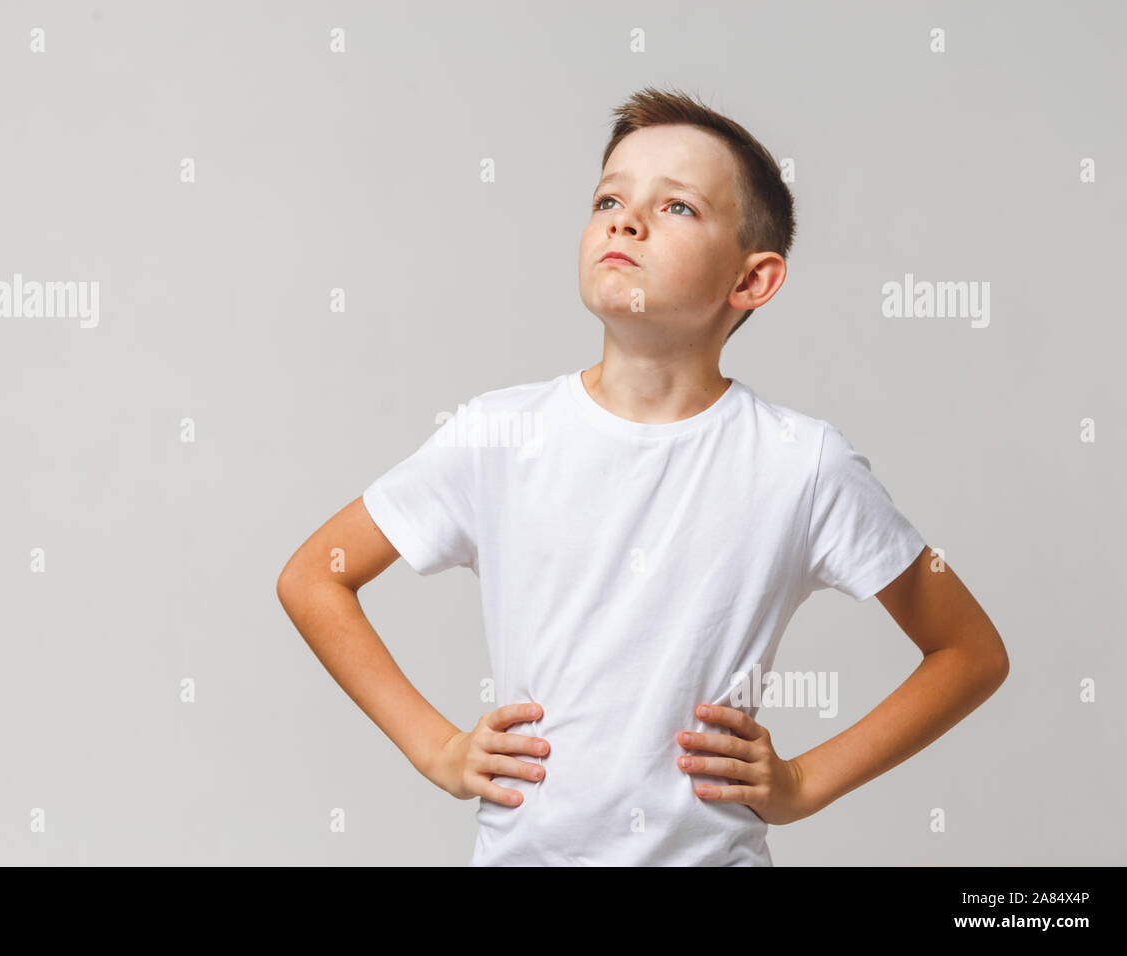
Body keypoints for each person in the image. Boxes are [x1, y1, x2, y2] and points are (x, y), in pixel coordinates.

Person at [277, 86, 1009, 866]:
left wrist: (802, 782)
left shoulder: (801, 465)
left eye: (678, 208)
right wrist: (436, 750)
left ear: (752, 281)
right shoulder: (500, 434)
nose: (626, 220)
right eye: (609, 199)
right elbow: (314, 577)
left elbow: (969, 652)